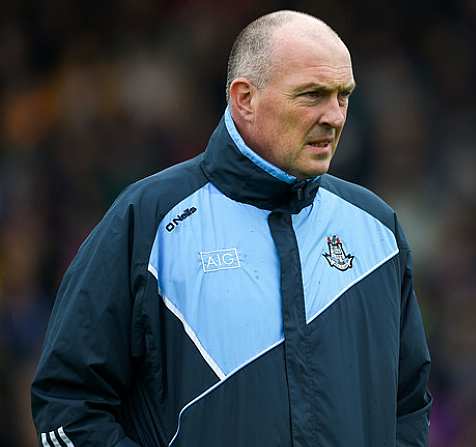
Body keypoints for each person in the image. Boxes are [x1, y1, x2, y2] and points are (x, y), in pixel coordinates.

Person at [31, 10, 432, 447]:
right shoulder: (148, 220)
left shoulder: (378, 231)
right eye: (313, 95)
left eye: (343, 96)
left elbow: (409, 404)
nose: (334, 116)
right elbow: (67, 402)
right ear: (244, 99)